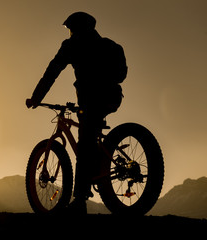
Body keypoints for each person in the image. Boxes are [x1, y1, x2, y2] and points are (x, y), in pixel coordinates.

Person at [26, 12, 127, 213]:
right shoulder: (111, 45)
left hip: (90, 99)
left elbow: (52, 72)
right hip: (112, 98)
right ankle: (100, 165)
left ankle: (80, 199)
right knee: (92, 134)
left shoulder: (71, 45)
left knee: (85, 144)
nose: (70, 33)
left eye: (70, 29)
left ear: (77, 28)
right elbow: (122, 75)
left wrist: (36, 98)